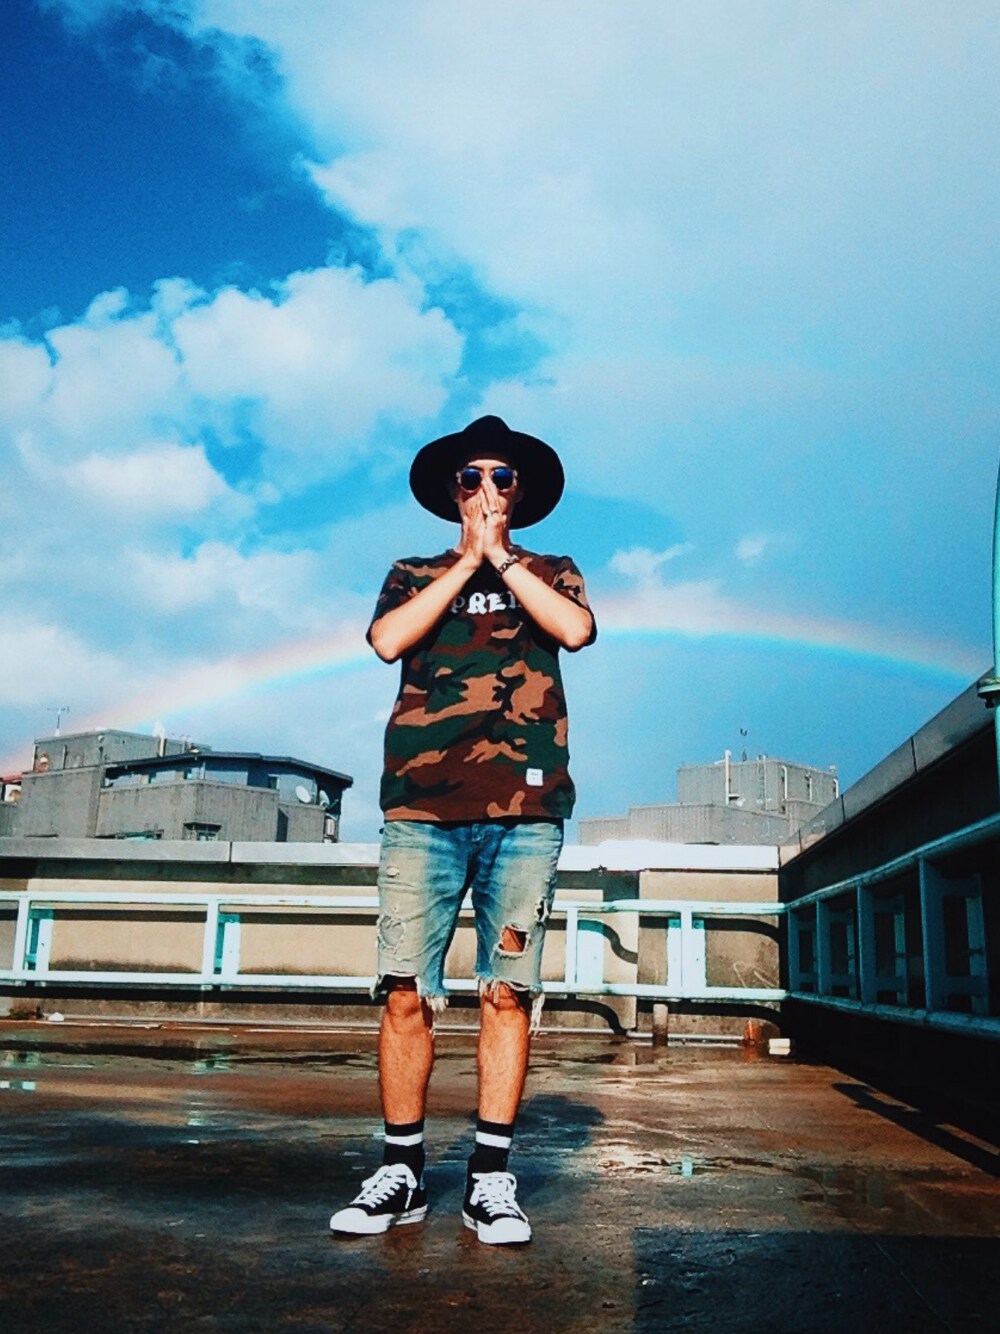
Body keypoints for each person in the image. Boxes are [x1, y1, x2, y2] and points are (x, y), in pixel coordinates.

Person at [330, 414, 595, 1245]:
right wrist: (467, 562)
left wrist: (502, 558)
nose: (486, 488)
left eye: (502, 476)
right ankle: (402, 1172)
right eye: (472, 476)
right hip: (421, 812)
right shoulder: (412, 574)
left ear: (521, 491)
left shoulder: (552, 571)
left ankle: (489, 1178)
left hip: (524, 815)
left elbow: (575, 631)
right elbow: (387, 641)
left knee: (506, 991)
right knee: (405, 989)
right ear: (452, 490)